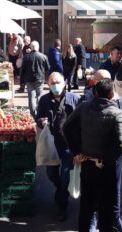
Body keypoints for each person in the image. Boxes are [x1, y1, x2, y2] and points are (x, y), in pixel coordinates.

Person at [63, 79, 122, 232]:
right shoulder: (117, 114)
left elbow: (66, 127)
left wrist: (77, 152)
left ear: (95, 93)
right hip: (106, 170)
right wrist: (105, 160)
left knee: (86, 207)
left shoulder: (84, 107)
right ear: (112, 94)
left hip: (87, 164)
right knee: (105, 211)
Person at [36, 72, 80, 221]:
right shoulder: (44, 100)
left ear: (65, 82)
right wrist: (41, 121)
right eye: (52, 82)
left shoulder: (74, 99)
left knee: (66, 175)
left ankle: (63, 205)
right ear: (48, 84)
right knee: (51, 173)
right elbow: (38, 117)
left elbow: (81, 120)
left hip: (69, 144)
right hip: (52, 144)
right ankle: (60, 190)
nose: (55, 85)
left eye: (58, 82)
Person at [20, 41, 50, 116]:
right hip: (40, 79)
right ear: (38, 47)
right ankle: (40, 112)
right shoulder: (43, 56)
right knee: (39, 96)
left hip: (29, 79)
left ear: (31, 47)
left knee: (31, 97)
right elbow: (47, 68)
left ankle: (33, 113)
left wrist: (22, 81)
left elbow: (22, 69)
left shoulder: (26, 57)